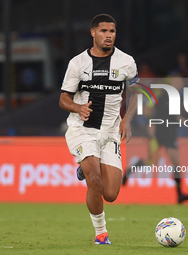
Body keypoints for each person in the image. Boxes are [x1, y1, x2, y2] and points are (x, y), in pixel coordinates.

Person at [59, 14, 139, 245]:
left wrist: (128, 119)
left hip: (111, 131)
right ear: (93, 32)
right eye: (103, 31)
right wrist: (77, 107)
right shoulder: (78, 63)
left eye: (112, 31)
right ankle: (101, 234)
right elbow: (64, 98)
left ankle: (86, 168)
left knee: (111, 194)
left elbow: (137, 92)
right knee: (95, 181)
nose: (108, 35)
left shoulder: (126, 62)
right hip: (82, 129)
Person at [122, 77, 188, 204]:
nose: (179, 84)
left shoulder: (178, 98)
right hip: (158, 133)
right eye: (176, 82)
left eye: (180, 82)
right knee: (152, 161)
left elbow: (172, 114)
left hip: (170, 134)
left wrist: (180, 119)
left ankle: (180, 195)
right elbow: (147, 109)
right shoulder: (161, 95)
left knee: (176, 163)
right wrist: (151, 122)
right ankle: (130, 170)